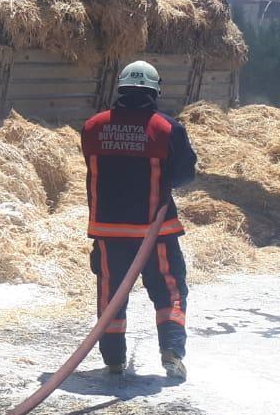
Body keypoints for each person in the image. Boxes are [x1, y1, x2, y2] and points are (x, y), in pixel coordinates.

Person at [80, 60, 198, 380]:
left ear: (120, 88)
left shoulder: (92, 126)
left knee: (111, 295)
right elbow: (185, 175)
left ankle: (114, 361)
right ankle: (172, 351)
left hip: (108, 231)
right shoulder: (167, 129)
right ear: (155, 90)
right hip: (154, 232)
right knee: (169, 290)